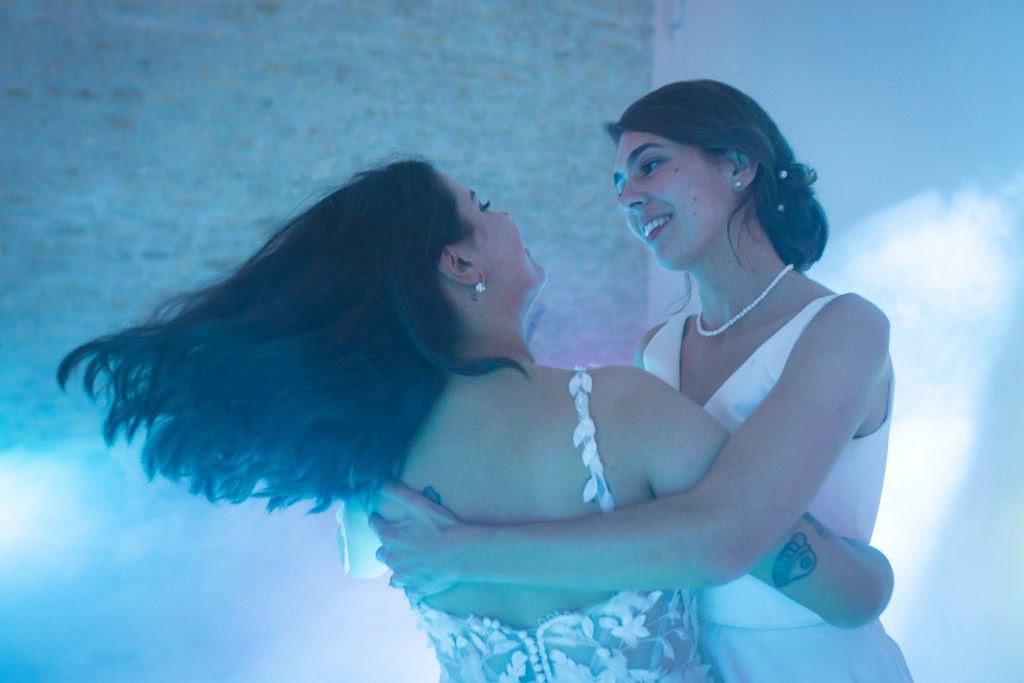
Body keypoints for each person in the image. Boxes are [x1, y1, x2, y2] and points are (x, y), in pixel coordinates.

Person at [60, 158, 892, 683]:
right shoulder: (624, 412)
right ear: (460, 263)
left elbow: (372, 564)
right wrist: (880, 569)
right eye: (482, 203)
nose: (504, 214)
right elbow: (847, 593)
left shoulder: (370, 474)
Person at [371, 81, 914, 681]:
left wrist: (468, 552)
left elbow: (722, 533)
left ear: (738, 164)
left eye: (648, 166)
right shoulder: (658, 348)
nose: (628, 197)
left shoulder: (844, 326)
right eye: (618, 185)